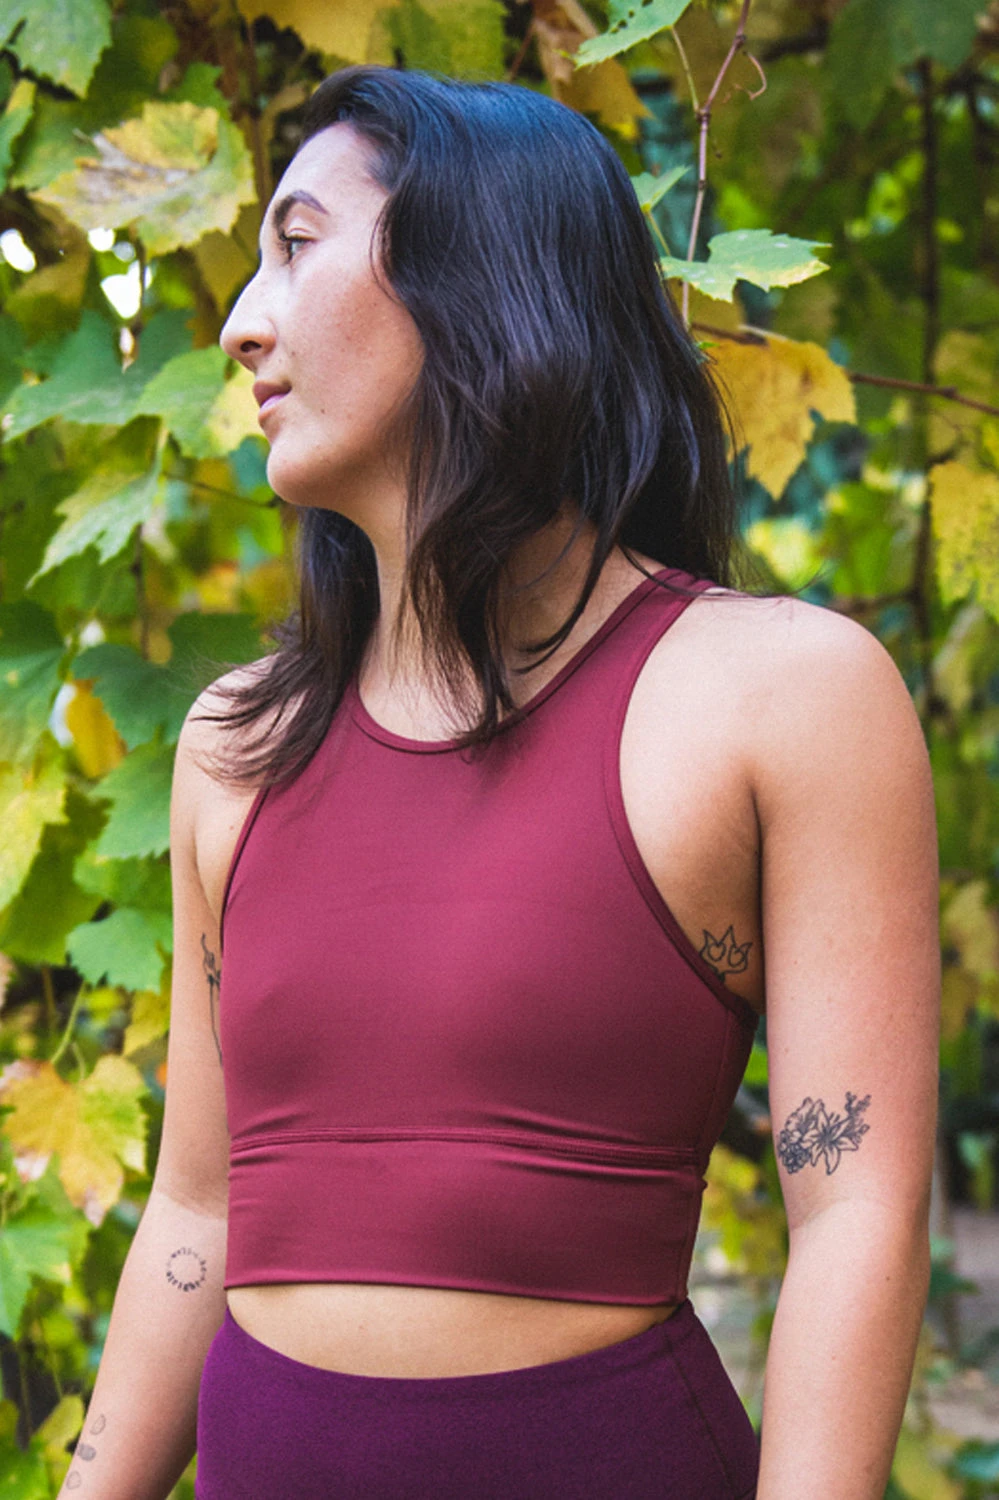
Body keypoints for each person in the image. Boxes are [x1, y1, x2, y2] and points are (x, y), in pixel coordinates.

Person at [61, 65, 940, 1500]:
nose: (239, 324)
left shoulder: (782, 694)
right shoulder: (237, 746)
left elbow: (857, 1215)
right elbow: (197, 1208)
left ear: (481, 271)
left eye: (298, 243)